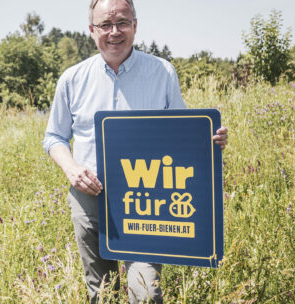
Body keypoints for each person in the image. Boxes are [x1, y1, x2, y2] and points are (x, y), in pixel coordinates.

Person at [42, 0, 229, 303]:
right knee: (101, 294)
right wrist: (72, 170)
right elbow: (54, 137)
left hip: (146, 202)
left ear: (135, 26)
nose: (114, 32)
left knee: (145, 292)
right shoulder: (72, 79)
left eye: (122, 23)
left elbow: (180, 134)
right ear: (92, 30)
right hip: (89, 199)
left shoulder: (162, 72)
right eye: (105, 25)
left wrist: (209, 140)